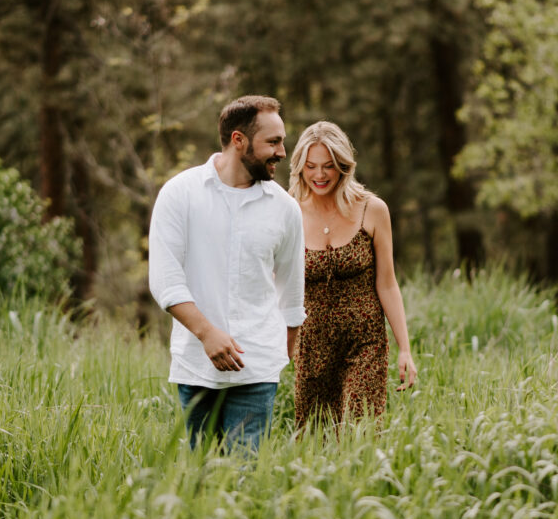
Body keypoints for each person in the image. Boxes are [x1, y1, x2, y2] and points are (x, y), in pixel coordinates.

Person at [149, 95, 305, 451]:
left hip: (258, 371)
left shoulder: (285, 209)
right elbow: (165, 280)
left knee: (245, 479)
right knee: (199, 476)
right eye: (273, 142)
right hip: (196, 367)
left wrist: (276, 360)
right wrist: (206, 334)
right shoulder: (179, 194)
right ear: (239, 140)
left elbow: (292, 294)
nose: (283, 152)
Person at [288, 120, 417, 429]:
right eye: (311, 166)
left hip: (365, 342)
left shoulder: (371, 209)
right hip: (312, 344)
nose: (319, 175)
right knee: (313, 435)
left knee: (362, 432)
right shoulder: (288, 211)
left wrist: (405, 349)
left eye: (329, 166)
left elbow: (387, 284)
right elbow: (278, 286)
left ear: (344, 166)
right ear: (300, 168)